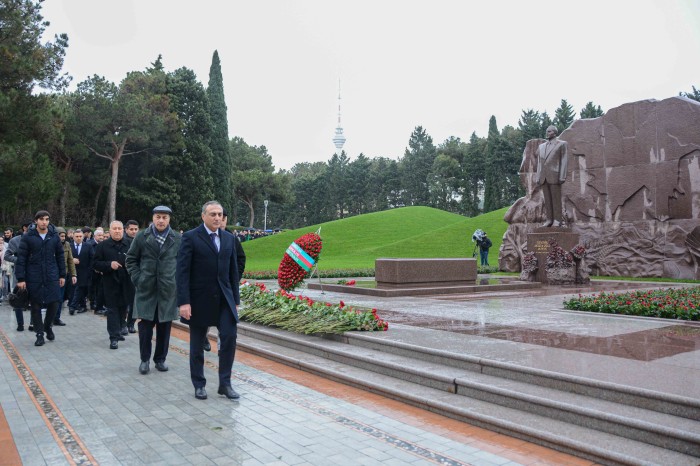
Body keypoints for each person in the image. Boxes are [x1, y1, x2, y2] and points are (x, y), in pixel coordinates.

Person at [177, 201, 241, 400]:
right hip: (199, 299)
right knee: (197, 343)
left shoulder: (229, 239)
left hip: (224, 299)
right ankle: (199, 383)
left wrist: (235, 300)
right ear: (203, 216)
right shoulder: (190, 237)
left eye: (220, 214)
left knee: (229, 337)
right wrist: (184, 302)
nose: (217, 218)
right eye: (212, 214)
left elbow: (233, 272)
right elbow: (182, 272)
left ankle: (225, 384)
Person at [126, 206, 181, 374]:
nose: (161, 220)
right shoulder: (142, 236)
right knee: (145, 329)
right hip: (146, 290)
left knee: (165, 328)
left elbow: (182, 263)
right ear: (153, 218)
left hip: (167, 291)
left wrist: (176, 282)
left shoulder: (177, 238)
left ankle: (160, 359)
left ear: (169, 219)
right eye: (158, 217)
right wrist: (138, 278)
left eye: (164, 217)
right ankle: (144, 360)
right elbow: (131, 259)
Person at [15, 211, 66, 346]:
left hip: (51, 275)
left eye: (47, 219)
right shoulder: (28, 237)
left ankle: (47, 325)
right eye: (42, 219)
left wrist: (62, 275)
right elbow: (21, 259)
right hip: (34, 276)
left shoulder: (54, 236)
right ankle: (39, 334)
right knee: (36, 305)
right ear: (36, 221)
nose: (44, 222)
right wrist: (21, 278)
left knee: (54, 302)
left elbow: (60, 257)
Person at [93, 221, 134, 349]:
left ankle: (121, 328)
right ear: (110, 231)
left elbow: (138, 261)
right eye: (114, 229)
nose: (117, 231)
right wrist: (109, 265)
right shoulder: (103, 246)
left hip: (127, 282)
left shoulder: (130, 244)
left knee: (123, 307)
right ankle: (113, 337)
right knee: (112, 310)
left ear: (123, 230)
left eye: (119, 229)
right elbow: (95, 264)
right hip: (110, 282)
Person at [535, 125, 569, 227]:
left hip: (555, 176)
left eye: (549, 131)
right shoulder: (541, 146)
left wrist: (562, 176)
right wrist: (538, 176)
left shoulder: (562, 144)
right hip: (543, 177)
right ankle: (549, 219)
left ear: (554, 133)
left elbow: (564, 161)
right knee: (547, 200)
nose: (547, 133)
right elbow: (540, 163)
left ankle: (557, 220)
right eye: (547, 131)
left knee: (556, 199)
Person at [4, 221, 31, 330]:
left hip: (34, 273)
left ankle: (32, 324)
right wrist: (20, 260)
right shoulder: (15, 240)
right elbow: (7, 256)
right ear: (25, 228)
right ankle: (20, 324)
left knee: (34, 299)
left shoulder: (38, 239)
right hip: (19, 273)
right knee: (18, 298)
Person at [53, 227, 77, 326]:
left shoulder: (67, 245)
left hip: (64, 274)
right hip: (53, 275)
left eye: (64, 236)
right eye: (61, 236)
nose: (63, 238)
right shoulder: (51, 245)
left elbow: (70, 260)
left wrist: (74, 274)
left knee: (60, 298)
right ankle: (50, 318)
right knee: (53, 298)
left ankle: (57, 318)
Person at [68, 229, 94, 314]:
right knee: (75, 289)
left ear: (83, 237)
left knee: (80, 288)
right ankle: (80, 305)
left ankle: (73, 306)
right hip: (72, 272)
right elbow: (64, 258)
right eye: (77, 236)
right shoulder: (69, 246)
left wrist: (89, 271)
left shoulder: (88, 246)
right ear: (73, 237)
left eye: (80, 236)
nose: (79, 238)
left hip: (84, 272)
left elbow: (92, 259)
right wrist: (72, 260)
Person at [124, 219, 140, 332]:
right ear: (126, 230)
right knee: (124, 301)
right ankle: (122, 323)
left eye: (135, 229)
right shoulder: (123, 241)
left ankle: (131, 323)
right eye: (131, 229)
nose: (134, 231)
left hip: (137, 276)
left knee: (135, 302)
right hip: (124, 276)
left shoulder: (141, 240)